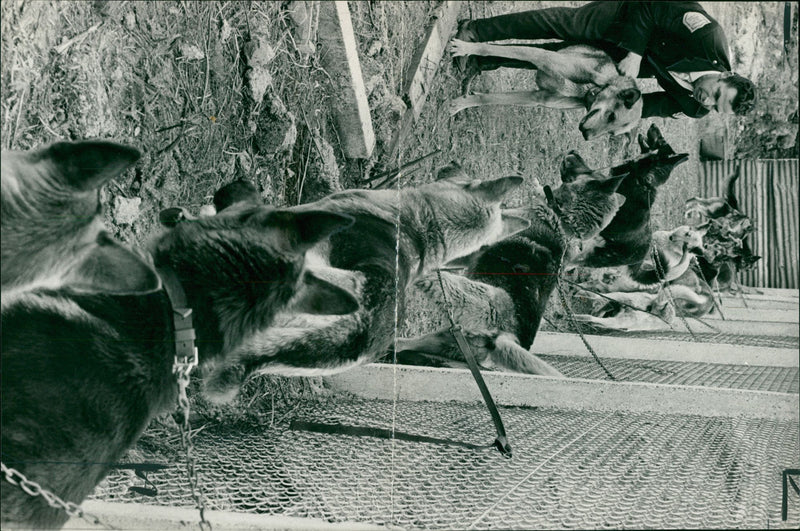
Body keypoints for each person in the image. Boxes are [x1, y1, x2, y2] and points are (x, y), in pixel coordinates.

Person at [454, 1, 757, 119]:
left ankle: (482, 61)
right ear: (725, 75)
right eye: (716, 93)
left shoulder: (695, 108)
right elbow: (650, 8)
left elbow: (644, 106)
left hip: (630, 59)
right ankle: (475, 30)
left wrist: (607, 109)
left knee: (560, 55)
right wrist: (635, 53)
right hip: (633, 15)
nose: (707, 101)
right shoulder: (708, 37)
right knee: (565, 24)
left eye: (716, 106)